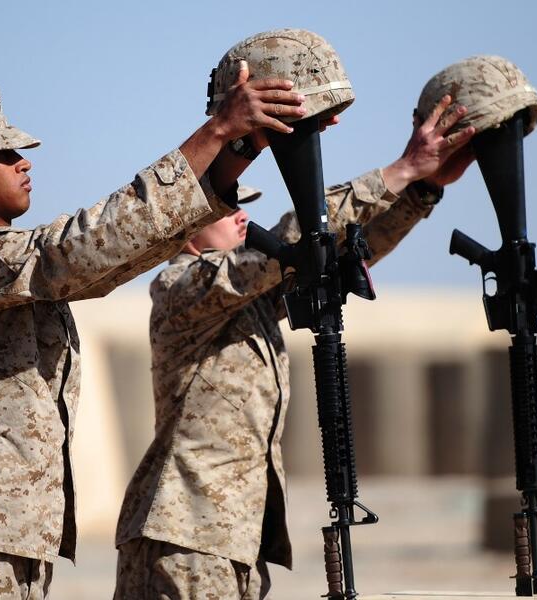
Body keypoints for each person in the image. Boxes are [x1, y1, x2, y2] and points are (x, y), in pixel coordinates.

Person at [0, 72, 307, 600]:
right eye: (4, 151)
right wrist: (217, 130)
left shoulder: (11, 275)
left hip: (0, 537)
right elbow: (83, 245)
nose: (24, 161)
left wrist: (243, 144)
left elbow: (121, 252)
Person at [113, 29, 476, 600]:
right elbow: (292, 239)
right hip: (184, 534)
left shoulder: (247, 297)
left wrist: (421, 192)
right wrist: (400, 171)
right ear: (182, 233)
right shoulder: (182, 287)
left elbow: (330, 251)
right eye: (224, 204)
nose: (238, 213)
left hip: (232, 535)